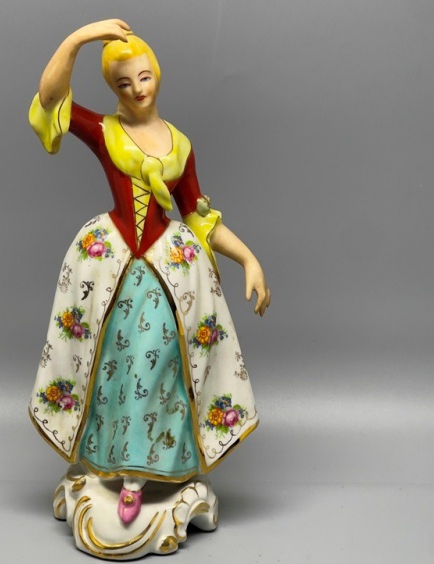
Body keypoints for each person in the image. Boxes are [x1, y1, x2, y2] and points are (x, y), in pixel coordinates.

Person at [28, 19, 271, 525]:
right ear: (113, 89)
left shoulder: (179, 145)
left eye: (143, 77)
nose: (137, 90)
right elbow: (50, 100)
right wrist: (78, 38)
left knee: (158, 364)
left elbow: (200, 217)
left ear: (157, 75)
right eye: (123, 83)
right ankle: (114, 462)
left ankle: (146, 470)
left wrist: (248, 258)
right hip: (113, 265)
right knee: (111, 365)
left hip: (165, 269)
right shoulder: (105, 131)